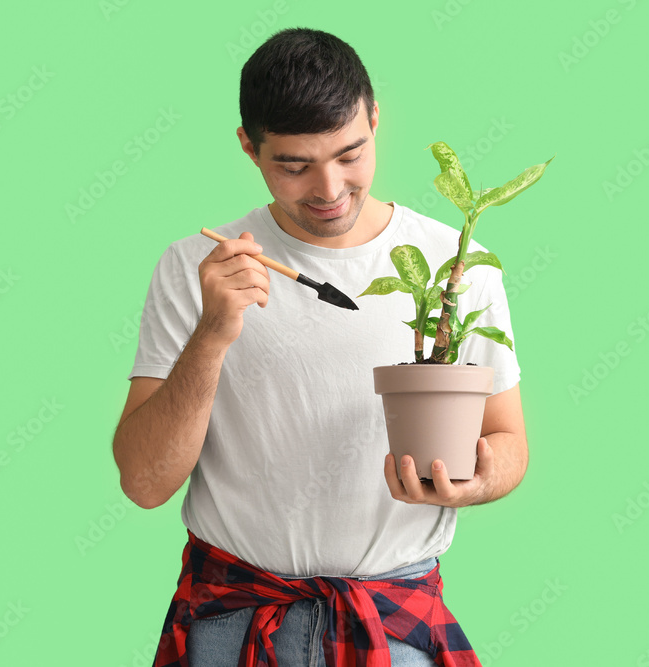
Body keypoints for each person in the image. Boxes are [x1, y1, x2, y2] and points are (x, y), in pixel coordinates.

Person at [112, 27, 528, 667]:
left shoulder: (456, 263)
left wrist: (467, 484)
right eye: (294, 165)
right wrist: (212, 335)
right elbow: (144, 482)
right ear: (250, 148)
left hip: (394, 624)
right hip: (234, 621)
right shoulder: (195, 265)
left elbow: (509, 442)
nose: (330, 188)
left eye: (351, 153)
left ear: (375, 118)